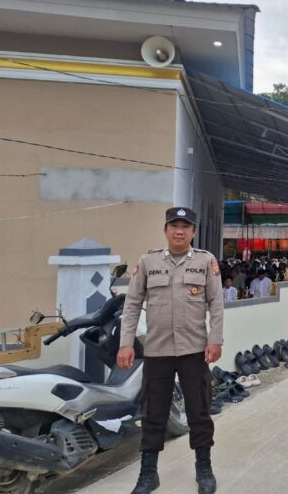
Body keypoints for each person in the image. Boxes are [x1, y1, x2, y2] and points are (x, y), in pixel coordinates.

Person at [118, 207, 223, 494]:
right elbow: (132, 304)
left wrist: (216, 339)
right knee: (153, 413)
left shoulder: (205, 261)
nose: (179, 231)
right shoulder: (149, 262)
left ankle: (204, 469)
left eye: (185, 226)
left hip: (194, 350)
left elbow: (216, 303)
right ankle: (148, 473)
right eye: (174, 225)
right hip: (158, 351)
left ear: (193, 232)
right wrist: (126, 342)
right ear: (165, 230)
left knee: (199, 410)